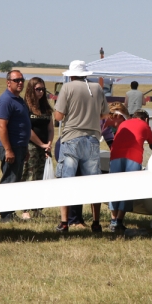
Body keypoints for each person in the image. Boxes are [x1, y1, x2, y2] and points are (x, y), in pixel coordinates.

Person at [54, 60, 109, 233]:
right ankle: (96, 222)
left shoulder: (67, 88)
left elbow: (58, 116)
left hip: (71, 138)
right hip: (93, 138)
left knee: (67, 181)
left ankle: (64, 222)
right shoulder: (97, 89)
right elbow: (105, 114)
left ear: (71, 74)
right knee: (94, 182)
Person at [107, 108, 152, 232]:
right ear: (146, 119)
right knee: (128, 187)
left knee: (115, 187)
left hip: (115, 156)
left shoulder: (123, 123)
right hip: (133, 157)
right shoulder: (145, 125)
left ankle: (113, 221)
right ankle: (119, 221)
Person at [0, 70, 32, 223]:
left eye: (22, 80)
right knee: (9, 180)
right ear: (8, 82)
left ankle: (10, 212)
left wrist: (25, 148)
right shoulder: (6, 100)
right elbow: (2, 127)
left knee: (15, 179)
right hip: (10, 147)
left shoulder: (18, 99)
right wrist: (8, 150)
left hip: (20, 147)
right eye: (16, 80)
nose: (20, 83)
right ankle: (6, 216)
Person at [20, 77, 54, 220]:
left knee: (40, 177)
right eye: (38, 89)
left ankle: (37, 208)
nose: (41, 92)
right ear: (31, 89)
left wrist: (49, 144)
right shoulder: (25, 106)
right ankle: (25, 209)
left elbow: (50, 128)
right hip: (31, 146)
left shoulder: (46, 107)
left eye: (43, 89)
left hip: (44, 147)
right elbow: (28, 129)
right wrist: (41, 144)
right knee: (29, 176)